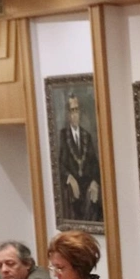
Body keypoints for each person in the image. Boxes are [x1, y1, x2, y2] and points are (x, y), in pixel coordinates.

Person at [58, 93, 102, 223]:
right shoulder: (63, 136)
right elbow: (60, 164)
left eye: (76, 110)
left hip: (87, 184)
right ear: (68, 114)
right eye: (72, 111)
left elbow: (94, 163)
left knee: (93, 196)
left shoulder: (86, 136)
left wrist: (95, 181)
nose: (75, 114)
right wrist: (69, 178)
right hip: (73, 187)